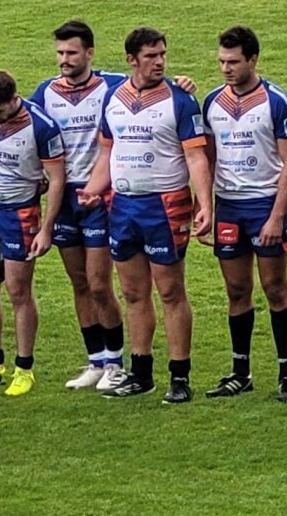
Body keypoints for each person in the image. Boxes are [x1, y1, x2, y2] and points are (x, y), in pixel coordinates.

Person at [90, 28, 211, 402]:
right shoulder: (113, 98)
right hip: (123, 205)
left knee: (171, 290)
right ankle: (141, 373)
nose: (159, 62)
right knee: (132, 292)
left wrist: (205, 204)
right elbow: (108, 152)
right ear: (131, 60)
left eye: (162, 54)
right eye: (151, 56)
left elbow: (195, 156)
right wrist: (94, 188)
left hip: (164, 205)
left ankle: (180, 375)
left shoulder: (181, 101)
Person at [202, 25, 287, 399]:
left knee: (276, 288)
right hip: (229, 207)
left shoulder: (276, 102)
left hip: (264, 205)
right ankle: (239, 372)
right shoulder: (212, 101)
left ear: (253, 60)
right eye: (222, 62)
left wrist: (278, 215)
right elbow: (207, 160)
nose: (226, 69)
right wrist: (206, 209)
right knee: (236, 289)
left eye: (233, 62)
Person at [0, 70, 66, 398]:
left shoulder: (41, 126)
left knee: (19, 290)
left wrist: (47, 229)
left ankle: (24, 368)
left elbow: (57, 178)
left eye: (2, 112)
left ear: (15, 99)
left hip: (21, 214)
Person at [34, 22, 125, 392]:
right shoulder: (45, 92)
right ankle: (96, 360)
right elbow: (23, 124)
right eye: (59, 53)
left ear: (90, 53)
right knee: (79, 282)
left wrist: (180, 82)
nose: (64, 60)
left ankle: (117, 363)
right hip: (64, 196)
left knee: (101, 284)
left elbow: (158, 89)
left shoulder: (113, 86)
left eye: (71, 53)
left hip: (100, 195)